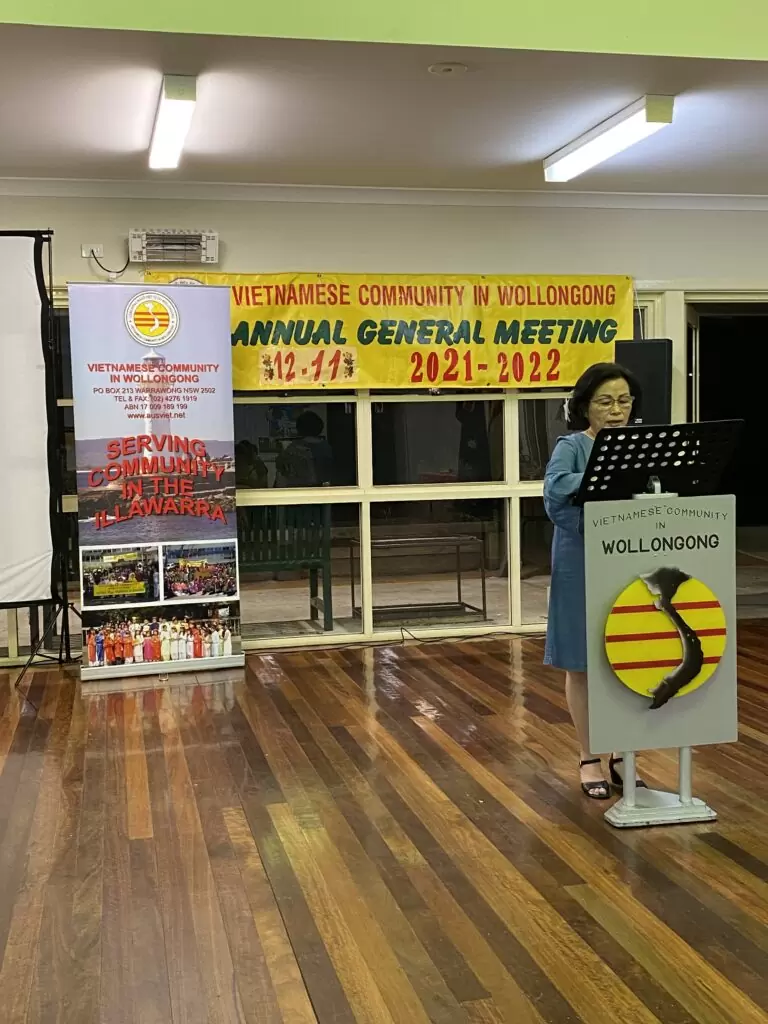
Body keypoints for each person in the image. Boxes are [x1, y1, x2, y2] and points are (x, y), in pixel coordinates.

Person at [543, 362, 645, 800]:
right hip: (580, 562)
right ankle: (589, 758)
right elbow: (554, 493)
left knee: (628, 660)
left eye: (624, 401)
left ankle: (623, 755)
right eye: (605, 401)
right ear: (585, 407)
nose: (617, 410)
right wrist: (606, 480)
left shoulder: (642, 444)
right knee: (582, 663)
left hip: (631, 563)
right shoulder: (572, 446)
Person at [275, 411, 334, 487]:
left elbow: (281, 469)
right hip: (324, 489)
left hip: (299, 488)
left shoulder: (293, 448)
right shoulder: (326, 447)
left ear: (299, 428)